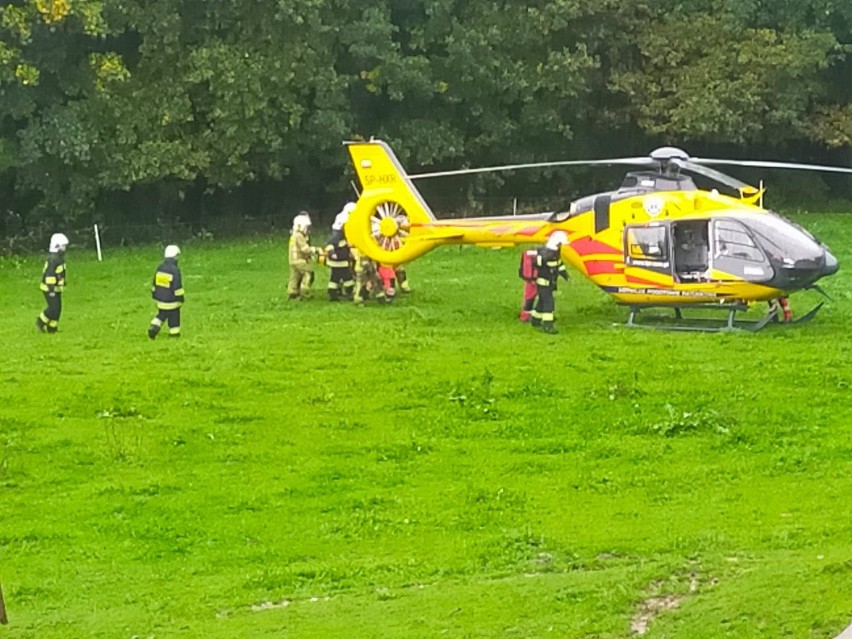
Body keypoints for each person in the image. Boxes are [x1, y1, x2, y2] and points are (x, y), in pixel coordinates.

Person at [530, 231, 569, 334]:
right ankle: (548, 325)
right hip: (545, 282)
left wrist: (565, 274)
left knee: (542, 301)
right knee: (549, 304)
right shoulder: (549, 255)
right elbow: (553, 266)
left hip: (547, 283)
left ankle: (535, 320)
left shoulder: (552, 253)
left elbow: (559, 264)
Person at [148, 245, 185, 339]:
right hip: (172, 301)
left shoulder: (160, 267)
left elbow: (155, 283)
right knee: (174, 316)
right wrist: (181, 298)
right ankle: (174, 333)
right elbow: (177, 287)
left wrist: (155, 295)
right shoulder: (175, 270)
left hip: (160, 300)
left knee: (162, 314)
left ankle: (154, 326)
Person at [36, 232, 69, 333]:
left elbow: (59, 273)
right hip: (49, 288)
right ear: (57, 246)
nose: (65, 248)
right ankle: (41, 321)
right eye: (63, 246)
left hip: (56, 288)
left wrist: (62, 282)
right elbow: (50, 275)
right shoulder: (53, 259)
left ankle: (52, 327)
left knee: (58, 308)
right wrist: (51, 289)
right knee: (53, 308)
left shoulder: (58, 258)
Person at [324, 202, 356, 300]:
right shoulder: (337, 235)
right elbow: (330, 244)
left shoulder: (338, 231)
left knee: (335, 278)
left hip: (340, 260)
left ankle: (333, 293)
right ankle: (347, 293)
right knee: (347, 278)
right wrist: (333, 253)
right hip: (340, 260)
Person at [288, 212, 318, 299]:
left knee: (295, 275)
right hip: (299, 260)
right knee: (309, 272)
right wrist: (314, 250)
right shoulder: (299, 236)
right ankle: (304, 291)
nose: (308, 229)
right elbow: (304, 249)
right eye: (306, 227)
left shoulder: (293, 235)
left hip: (292, 260)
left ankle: (292, 292)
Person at [518, 248, 538, 322]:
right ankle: (526, 316)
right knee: (530, 297)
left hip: (530, 277)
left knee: (529, 296)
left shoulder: (528, 252)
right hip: (534, 277)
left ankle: (525, 315)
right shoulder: (535, 253)